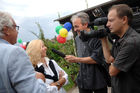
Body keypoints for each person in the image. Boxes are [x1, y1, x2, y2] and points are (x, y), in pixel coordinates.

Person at [0, 11, 54, 93]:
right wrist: (40, 79)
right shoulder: (14, 53)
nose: (17, 31)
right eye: (15, 27)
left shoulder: (50, 62)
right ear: (6, 30)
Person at [100, 4, 140, 93]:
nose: (107, 24)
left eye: (111, 20)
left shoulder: (131, 42)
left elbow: (112, 72)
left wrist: (113, 63)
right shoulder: (120, 40)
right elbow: (109, 59)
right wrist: (103, 39)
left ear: (124, 19)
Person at [65, 12, 108, 93]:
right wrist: (75, 59)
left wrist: (76, 59)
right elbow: (81, 57)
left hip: (98, 78)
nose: (75, 30)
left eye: (76, 26)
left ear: (85, 24)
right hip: (83, 79)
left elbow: (96, 59)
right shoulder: (77, 38)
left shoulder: (97, 36)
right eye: (74, 27)